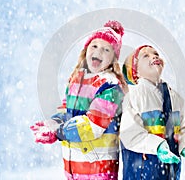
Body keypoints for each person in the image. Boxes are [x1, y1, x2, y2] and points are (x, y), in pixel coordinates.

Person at [30, 20, 127, 180]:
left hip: (99, 169)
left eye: (106, 49)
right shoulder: (76, 80)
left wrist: (60, 132)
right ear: (86, 50)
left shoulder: (110, 86)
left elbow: (93, 125)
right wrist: (54, 123)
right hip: (74, 166)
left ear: (113, 59)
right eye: (94, 46)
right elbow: (65, 111)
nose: (99, 51)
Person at [120, 45, 185, 180]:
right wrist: (157, 146)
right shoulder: (134, 96)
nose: (154, 56)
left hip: (170, 172)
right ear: (134, 72)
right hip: (142, 171)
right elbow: (129, 133)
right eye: (146, 56)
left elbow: (181, 128)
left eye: (156, 53)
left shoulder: (175, 97)